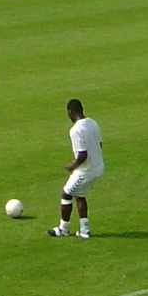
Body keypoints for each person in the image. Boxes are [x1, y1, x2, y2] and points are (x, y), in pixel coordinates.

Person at [48, 99, 101, 239]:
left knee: (66, 194)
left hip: (86, 170)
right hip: (98, 166)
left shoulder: (76, 130)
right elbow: (99, 145)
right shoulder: (93, 123)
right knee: (79, 194)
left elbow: (82, 155)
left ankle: (63, 229)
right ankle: (84, 230)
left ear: (71, 112)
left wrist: (73, 165)